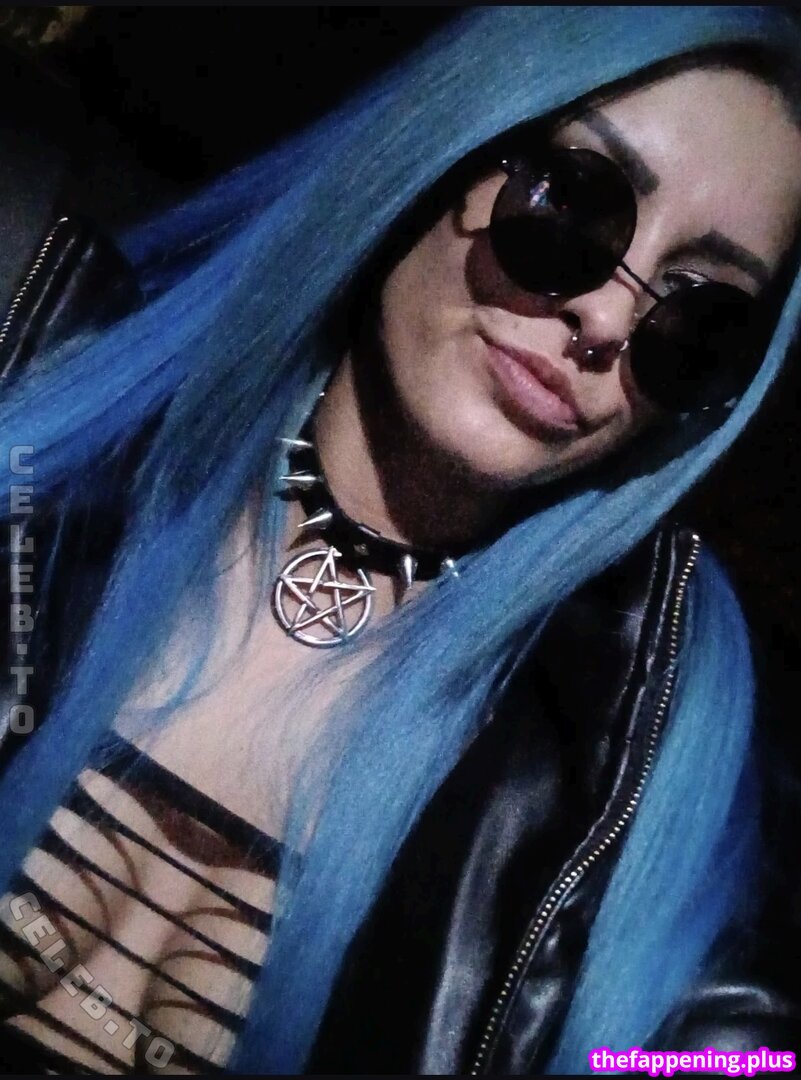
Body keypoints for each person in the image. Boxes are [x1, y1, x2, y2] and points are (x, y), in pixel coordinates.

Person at [1, 5, 801, 1074]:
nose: (608, 323)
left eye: (701, 316)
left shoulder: (641, 733)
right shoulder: (34, 362)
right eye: (575, 205)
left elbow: (730, 1051)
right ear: (448, 154)